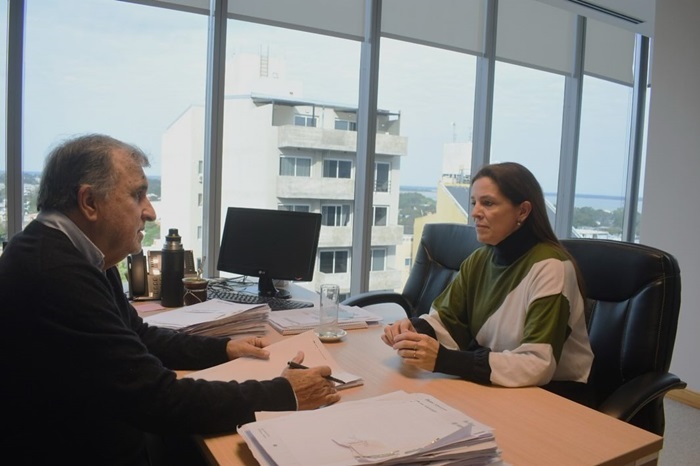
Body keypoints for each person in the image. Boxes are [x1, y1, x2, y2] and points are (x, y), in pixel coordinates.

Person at [0, 134, 340, 465]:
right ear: (89, 202)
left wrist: (223, 349)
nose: (149, 212)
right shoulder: (57, 273)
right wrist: (285, 393)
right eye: (137, 195)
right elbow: (156, 400)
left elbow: (138, 336)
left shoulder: (73, 252)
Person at [381, 162, 594, 401]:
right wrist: (413, 331)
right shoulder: (480, 259)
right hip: (500, 385)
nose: (475, 212)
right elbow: (447, 321)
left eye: (488, 203)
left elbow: (537, 364)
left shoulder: (551, 267)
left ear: (523, 211)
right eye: (474, 203)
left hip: (553, 395)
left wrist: (444, 360)